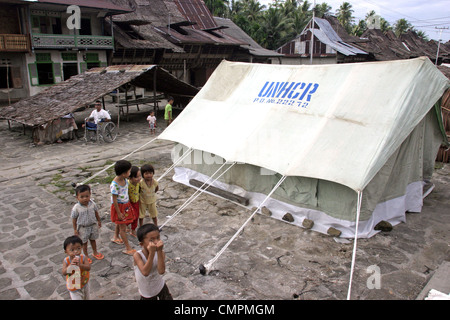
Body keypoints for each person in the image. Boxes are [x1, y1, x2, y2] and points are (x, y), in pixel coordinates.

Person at [133, 224, 173, 300]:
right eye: (151, 240)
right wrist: (151, 253)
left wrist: (159, 251)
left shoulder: (160, 253)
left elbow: (161, 271)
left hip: (160, 287)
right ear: (142, 244)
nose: (156, 241)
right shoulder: (138, 255)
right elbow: (145, 272)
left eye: (158, 238)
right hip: (147, 293)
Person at [71, 184, 104, 263]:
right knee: (84, 243)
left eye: (87, 196)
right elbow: (74, 219)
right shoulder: (76, 208)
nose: (85, 199)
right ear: (77, 197)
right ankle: (86, 255)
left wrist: (99, 221)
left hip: (93, 225)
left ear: (90, 195)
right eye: (82, 197)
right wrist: (75, 229)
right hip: (83, 228)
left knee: (93, 240)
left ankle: (95, 252)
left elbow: (96, 213)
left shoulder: (92, 204)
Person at [110, 160, 136, 256]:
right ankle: (128, 247)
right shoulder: (115, 185)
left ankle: (115, 237)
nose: (130, 173)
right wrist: (118, 212)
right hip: (119, 207)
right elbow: (114, 200)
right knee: (123, 228)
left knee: (120, 223)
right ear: (124, 173)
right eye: (129, 171)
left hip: (126, 204)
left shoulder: (124, 179)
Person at [62, 235, 91, 300]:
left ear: (81, 247)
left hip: (84, 282)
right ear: (66, 251)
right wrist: (70, 266)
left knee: (87, 298)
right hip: (74, 286)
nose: (76, 251)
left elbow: (88, 267)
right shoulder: (66, 261)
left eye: (78, 248)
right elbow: (64, 272)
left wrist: (80, 265)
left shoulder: (83, 257)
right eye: (72, 250)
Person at [127, 166, 141, 238]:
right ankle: (124, 226)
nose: (139, 178)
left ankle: (133, 230)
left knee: (136, 216)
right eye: (136, 177)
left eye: (140, 176)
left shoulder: (138, 183)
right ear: (130, 177)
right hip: (129, 203)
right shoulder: (128, 185)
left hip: (136, 202)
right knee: (130, 217)